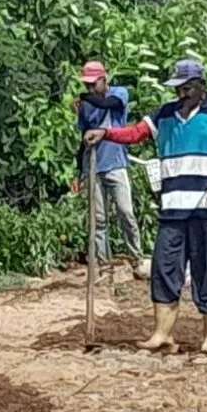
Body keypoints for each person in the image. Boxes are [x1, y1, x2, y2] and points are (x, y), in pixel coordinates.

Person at [84, 59, 207, 354]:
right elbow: (137, 133)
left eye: (187, 88)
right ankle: (162, 333)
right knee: (165, 268)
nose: (182, 94)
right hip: (173, 206)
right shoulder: (164, 114)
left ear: (201, 85)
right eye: (178, 88)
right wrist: (107, 133)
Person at [72, 61, 146, 278]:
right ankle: (104, 266)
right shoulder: (85, 105)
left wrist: (84, 98)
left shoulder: (118, 94)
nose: (90, 89)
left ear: (104, 80)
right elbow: (82, 138)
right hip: (93, 166)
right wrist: (79, 171)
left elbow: (106, 104)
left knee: (126, 212)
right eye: (87, 86)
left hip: (116, 163)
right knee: (99, 219)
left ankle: (137, 260)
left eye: (94, 84)